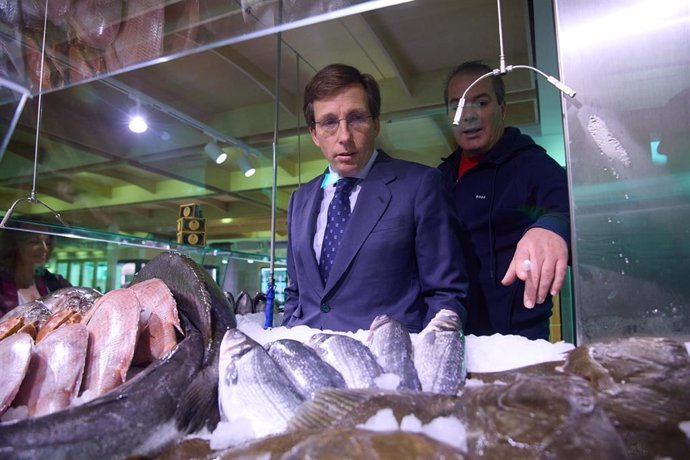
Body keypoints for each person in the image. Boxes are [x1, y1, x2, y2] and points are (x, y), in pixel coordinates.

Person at [283, 63, 468, 333]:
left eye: (356, 118)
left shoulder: (419, 186)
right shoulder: (300, 200)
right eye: (329, 122)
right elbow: (295, 292)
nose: (344, 137)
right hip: (309, 359)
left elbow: (445, 295)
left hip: (385, 366)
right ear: (314, 133)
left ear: (376, 123)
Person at [439, 61, 570, 340]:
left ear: (503, 108)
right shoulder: (440, 178)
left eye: (481, 102)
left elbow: (569, 207)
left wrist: (550, 227)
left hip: (518, 339)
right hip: (453, 333)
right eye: (457, 106)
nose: (468, 116)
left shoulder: (532, 165)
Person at [0, 227, 71, 316]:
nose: (45, 248)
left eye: (48, 242)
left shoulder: (57, 282)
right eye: (35, 242)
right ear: (14, 245)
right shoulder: (2, 284)